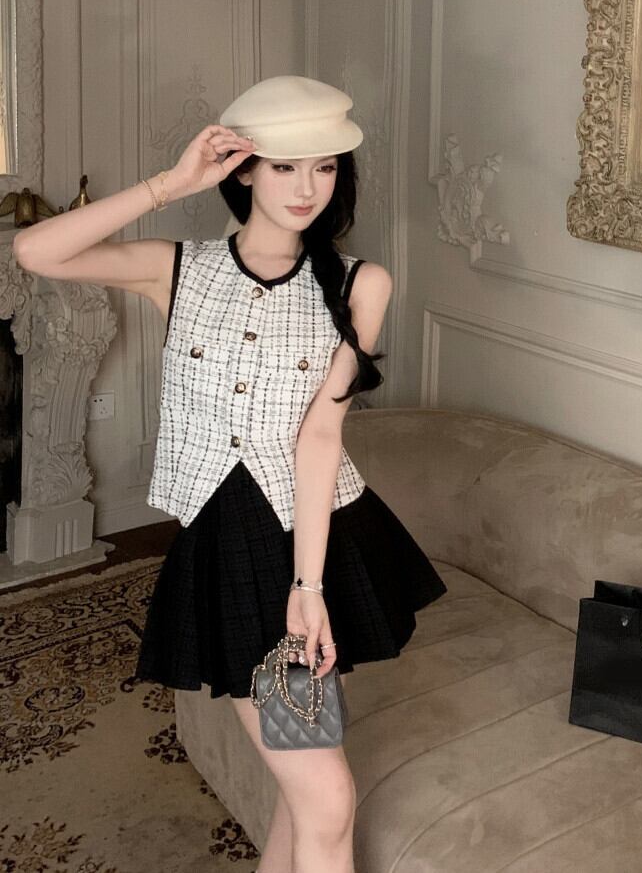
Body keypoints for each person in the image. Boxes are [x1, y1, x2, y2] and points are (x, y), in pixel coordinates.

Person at [12, 75, 448, 873]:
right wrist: (171, 184)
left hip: (320, 538)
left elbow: (320, 438)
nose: (308, 188)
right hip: (227, 547)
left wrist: (308, 587)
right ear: (243, 169)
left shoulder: (362, 284)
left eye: (325, 167)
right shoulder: (176, 269)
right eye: (284, 167)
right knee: (323, 794)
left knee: (309, 788)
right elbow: (34, 251)